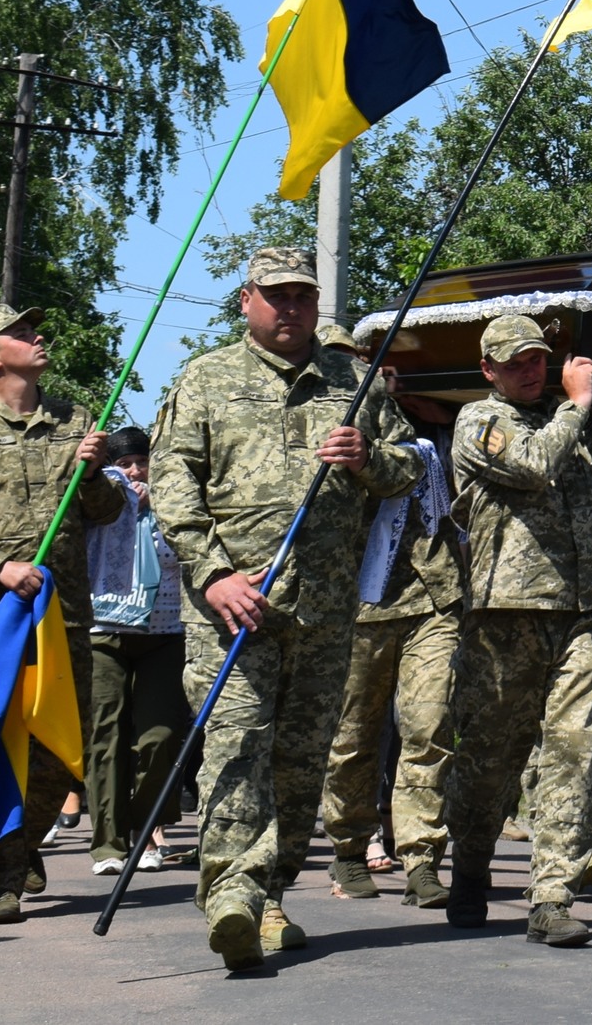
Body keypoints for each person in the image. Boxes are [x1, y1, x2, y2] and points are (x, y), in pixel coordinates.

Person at [151, 247, 422, 972]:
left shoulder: (352, 383)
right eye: (277, 295)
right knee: (239, 746)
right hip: (234, 611)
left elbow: (412, 467)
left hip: (326, 611)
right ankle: (231, 893)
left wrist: (368, 456)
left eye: (303, 294)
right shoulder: (206, 378)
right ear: (247, 300)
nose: (292, 307)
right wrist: (213, 575)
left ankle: (271, 892)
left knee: (301, 762)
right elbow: (172, 482)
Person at [443, 313, 592, 949]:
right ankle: (471, 864)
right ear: (488, 371)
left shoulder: (584, 419)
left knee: (574, 752)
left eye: (538, 358)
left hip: (587, 612)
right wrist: (578, 405)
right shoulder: (479, 423)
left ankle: (552, 896)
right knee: (492, 755)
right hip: (506, 615)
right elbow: (534, 465)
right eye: (516, 363)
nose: (531, 370)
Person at [0, 303, 121, 924]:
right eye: (20, 333)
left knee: (64, 747)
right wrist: (0, 566)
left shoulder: (76, 420)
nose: (36, 338)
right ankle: (0, 873)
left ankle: (22, 841)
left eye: (34, 329)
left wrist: (93, 475)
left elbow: (106, 511)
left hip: (64, 614)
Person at [319, 393, 465, 909]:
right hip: (357, 598)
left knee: (430, 725)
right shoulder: (328, 411)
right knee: (353, 735)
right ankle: (350, 848)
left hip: (434, 594)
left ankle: (422, 857)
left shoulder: (444, 415)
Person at [84, 427, 188, 877]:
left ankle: (144, 828)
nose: (134, 472)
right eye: (124, 464)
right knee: (106, 737)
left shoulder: (175, 499)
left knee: (160, 738)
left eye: (142, 462)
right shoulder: (99, 498)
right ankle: (108, 843)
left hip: (165, 631)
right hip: (103, 631)